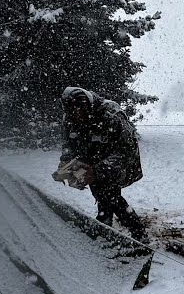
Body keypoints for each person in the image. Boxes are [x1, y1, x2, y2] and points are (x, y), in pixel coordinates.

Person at [53, 86, 148, 243]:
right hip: (92, 157)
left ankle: (134, 233)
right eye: (71, 112)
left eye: (79, 111)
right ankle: (106, 227)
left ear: (87, 106)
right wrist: (66, 163)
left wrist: (96, 170)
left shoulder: (111, 115)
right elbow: (68, 142)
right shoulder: (69, 117)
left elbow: (125, 153)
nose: (77, 117)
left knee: (110, 195)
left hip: (117, 161)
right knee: (101, 193)